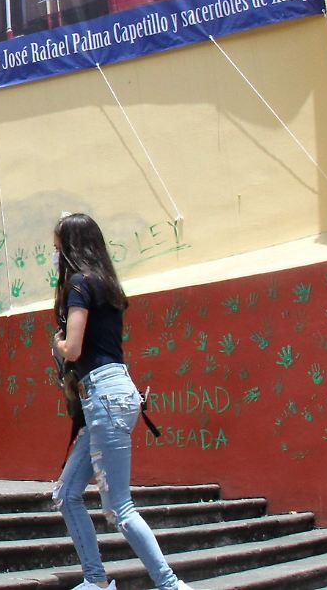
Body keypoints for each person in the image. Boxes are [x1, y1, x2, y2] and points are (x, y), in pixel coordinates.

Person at [49, 213, 193, 590]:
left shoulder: (79, 283)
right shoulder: (107, 284)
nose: (55, 252)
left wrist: (57, 344)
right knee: (66, 495)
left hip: (103, 396)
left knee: (120, 508)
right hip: (116, 392)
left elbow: (75, 347)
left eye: (57, 245)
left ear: (70, 245)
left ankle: (170, 585)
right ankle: (96, 581)